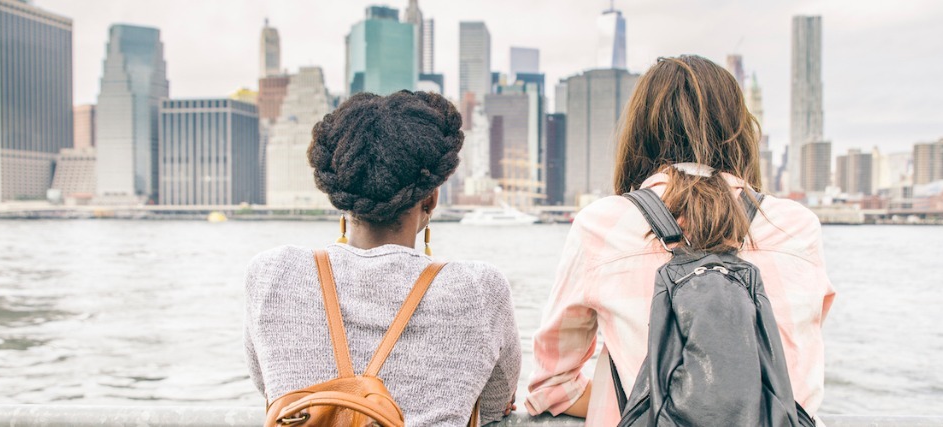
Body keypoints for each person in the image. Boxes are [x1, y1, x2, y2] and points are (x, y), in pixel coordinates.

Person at [525, 55, 836, 425]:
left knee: (616, 357)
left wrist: (651, 399)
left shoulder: (603, 226)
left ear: (639, 133)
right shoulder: (797, 226)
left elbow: (551, 388)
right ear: (739, 131)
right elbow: (801, 370)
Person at [244, 91, 520, 426]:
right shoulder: (478, 289)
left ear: (340, 196)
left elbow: (272, 392)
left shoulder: (272, 273)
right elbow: (495, 404)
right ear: (431, 200)